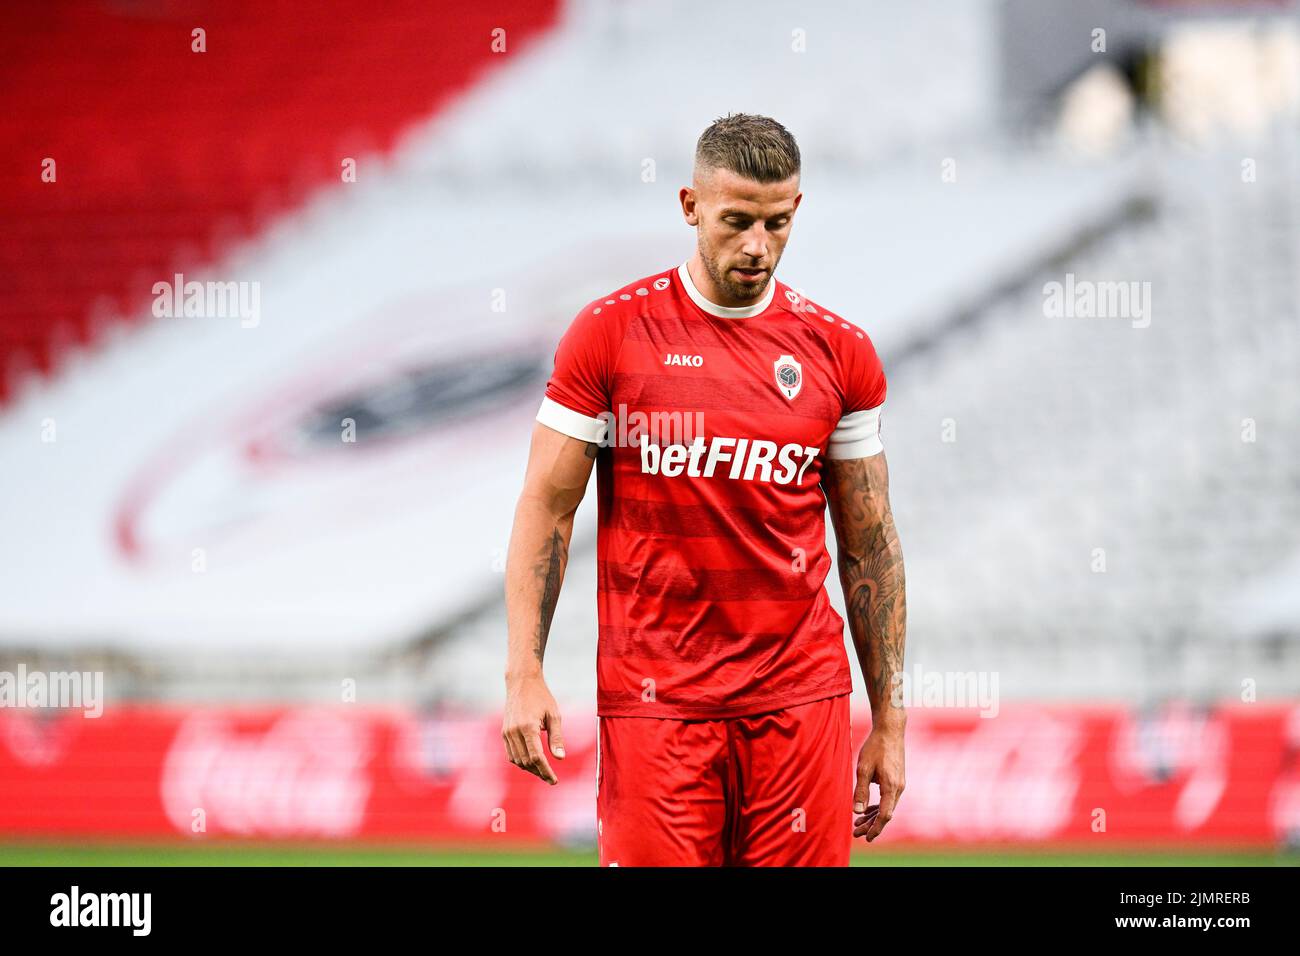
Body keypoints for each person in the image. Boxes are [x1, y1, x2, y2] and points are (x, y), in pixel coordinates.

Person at [501, 113, 907, 866]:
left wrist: (889, 716)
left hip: (799, 703)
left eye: (778, 223)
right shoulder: (611, 335)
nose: (758, 245)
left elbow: (870, 546)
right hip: (657, 708)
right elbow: (548, 510)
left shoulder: (840, 353)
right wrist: (524, 673)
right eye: (737, 221)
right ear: (690, 207)